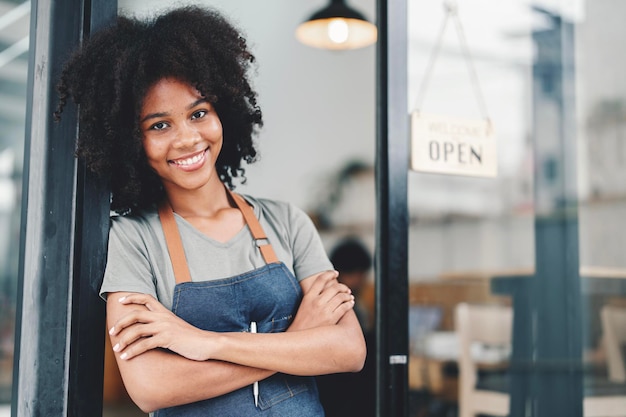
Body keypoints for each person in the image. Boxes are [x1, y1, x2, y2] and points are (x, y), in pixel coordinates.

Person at [55, 6, 366, 416]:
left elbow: (347, 350)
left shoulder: (287, 222)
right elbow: (151, 386)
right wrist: (299, 338)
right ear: (130, 142)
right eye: (159, 125)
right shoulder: (133, 240)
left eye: (198, 113)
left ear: (224, 114)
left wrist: (205, 343)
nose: (187, 139)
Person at [317, 237, 375, 417]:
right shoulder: (334, 305)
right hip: (339, 393)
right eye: (358, 274)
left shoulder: (357, 305)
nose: (362, 280)